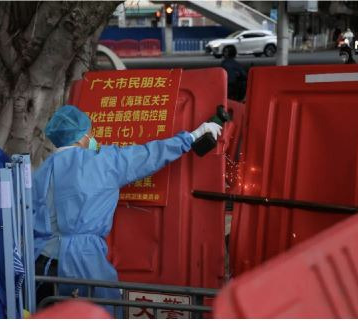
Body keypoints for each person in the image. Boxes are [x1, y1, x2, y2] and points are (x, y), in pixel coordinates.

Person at [33, 105, 222, 315]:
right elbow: (149, 155)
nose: (93, 137)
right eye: (90, 133)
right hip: (82, 261)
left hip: (39, 262)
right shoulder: (103, 161)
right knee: (102, 311)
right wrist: (192, 136)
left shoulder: (42, 170)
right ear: (80, 137)